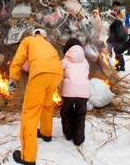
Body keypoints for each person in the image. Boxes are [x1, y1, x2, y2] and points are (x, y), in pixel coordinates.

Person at [9, 29, 63, 165]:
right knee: (47, 104)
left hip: (40, 74)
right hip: (56, 74)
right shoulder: (49, 45)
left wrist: (13, 77)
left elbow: (19, 58)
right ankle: (46, 132)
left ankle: (27, 157)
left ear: (34, 34)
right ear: (44, 37)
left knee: (30, 113)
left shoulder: (29, 40)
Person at [60, 38, 89, 146]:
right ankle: (79, 139)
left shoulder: (65, 61)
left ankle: (68, 133)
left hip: (68, 92)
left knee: (66, 112)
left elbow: (58, 71)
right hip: (84, 92)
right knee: (80, 114)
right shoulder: (85, 61)